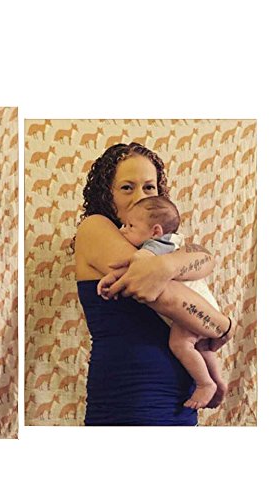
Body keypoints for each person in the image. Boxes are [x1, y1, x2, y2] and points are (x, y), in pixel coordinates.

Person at [74, 142, 235, 426]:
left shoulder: (160, 242)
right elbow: (169, 298)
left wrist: (167, 265)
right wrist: (224, 326)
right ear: (107, 193)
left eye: (149, 187)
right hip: (133, 399)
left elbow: (205, 258)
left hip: (182, 401)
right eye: (127, 187)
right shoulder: (95, 227)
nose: (140, 196)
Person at [96, 195, 230, 409]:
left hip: (193, 306)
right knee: (202, 346)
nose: (123, 230)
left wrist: (112, 277)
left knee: (180, 344)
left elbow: (137, 272)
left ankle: (205, 383)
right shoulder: (169, 244)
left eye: (130, 226)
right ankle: (217, 380)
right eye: (127, 188)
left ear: (155, 231)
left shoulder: (153, 247)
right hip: (206, 306)